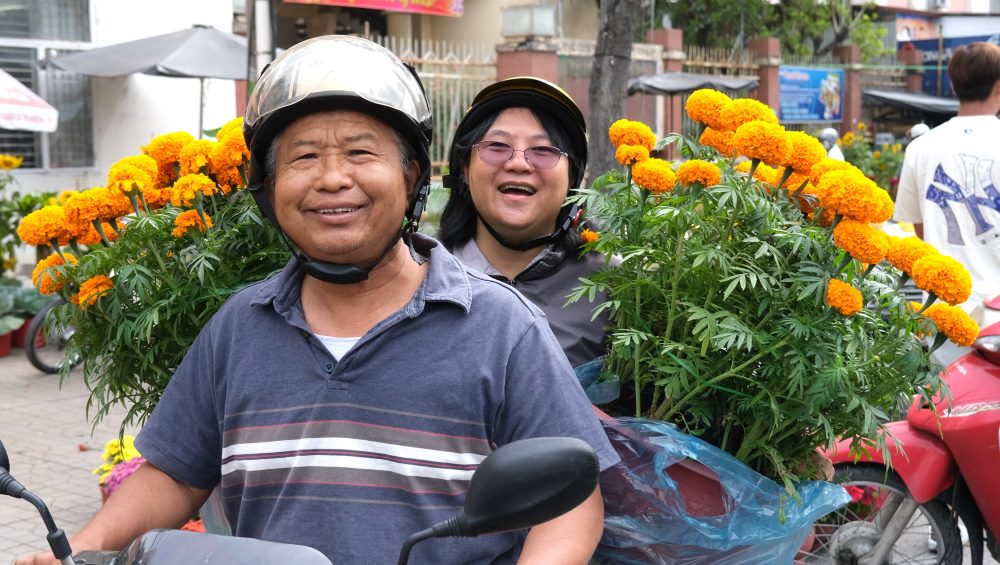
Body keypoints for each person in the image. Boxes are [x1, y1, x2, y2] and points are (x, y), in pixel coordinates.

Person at [16, 36, 617, 565]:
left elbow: (571, 502)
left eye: (360, 152)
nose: (332, 178)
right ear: (268, 188)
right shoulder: (239, 328)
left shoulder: (500, 325)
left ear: (412, 179)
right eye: (304, 157)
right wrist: (81, 550)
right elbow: (174, 474)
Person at [438, 77, 609, 368]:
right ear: (464, 169)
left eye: (543, 151)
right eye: (497, 146)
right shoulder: (416, 276)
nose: (518, 163)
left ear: (573, 181)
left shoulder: (618, 286)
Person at [894, 41, 1000, 364]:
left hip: (943, 319)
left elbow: (921, 230)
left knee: (944, 410)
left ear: (953, 85)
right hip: (997, 315)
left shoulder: (921, 149)